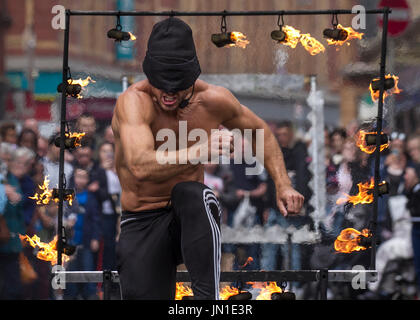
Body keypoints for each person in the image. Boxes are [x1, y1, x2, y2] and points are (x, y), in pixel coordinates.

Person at [111, 17, 304, 300]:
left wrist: (283, 184)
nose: (168, 93)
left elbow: (259, 131)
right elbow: (139, 166)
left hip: (189, 221)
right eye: (162, 84)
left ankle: (207, 300)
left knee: (193, 193)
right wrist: (199, 151)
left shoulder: (213, 99)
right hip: (142, 220)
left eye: (177, 86)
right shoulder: (134, 101)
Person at [64, 167, 101, 300]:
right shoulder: (67, 195)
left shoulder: (91, 197)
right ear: (73, 178)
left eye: (83, 177)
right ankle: (70, 295)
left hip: (86, 239)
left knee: (88, 268)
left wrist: (96, 238)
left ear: (87, 179)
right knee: (70, 269)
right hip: (70, 240)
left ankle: (90, 293)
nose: (80, 180)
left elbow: (96, 219)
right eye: (78, 176)